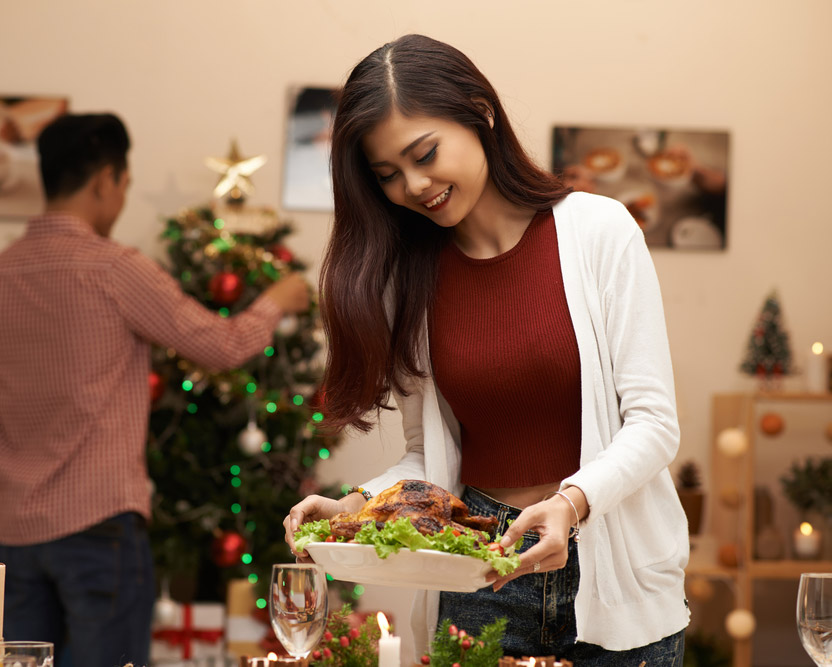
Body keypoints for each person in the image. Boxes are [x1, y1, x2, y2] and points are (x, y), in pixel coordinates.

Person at [282, 35, 689, 665]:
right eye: (387, 174)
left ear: (481, 111)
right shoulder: (409, 279)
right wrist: (355, 507)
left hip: (615, 576)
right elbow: (428, 456)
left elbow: (654, 424)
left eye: (424, 154)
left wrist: (570, 503)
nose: (413, 185)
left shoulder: (598, 231)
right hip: (478, 573)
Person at [0, 113, 311, 667]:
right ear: (104, 179)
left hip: (13, 537)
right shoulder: (114, 270)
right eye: (123, 183)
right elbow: (219, 346)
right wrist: (277, 300)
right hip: (100, 528)